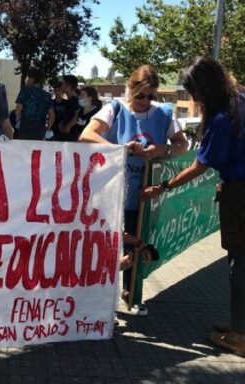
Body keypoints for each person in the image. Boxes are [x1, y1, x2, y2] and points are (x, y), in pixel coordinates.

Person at [141, 56, 245, 356]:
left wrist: (162, 187)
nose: (194, 98)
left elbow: (200, 166)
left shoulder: (224, 115)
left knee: (239, 265)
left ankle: (240, 336)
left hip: (240, 196)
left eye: (193, 91)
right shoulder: (239, 96)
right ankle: (240, 322)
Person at [79, 64, 188, 315]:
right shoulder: (114, 109)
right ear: (129, 89)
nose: (145, 101)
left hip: (145, 192)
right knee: (111, 242)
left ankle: (131, 292)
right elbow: (87, 135)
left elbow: (181, 144)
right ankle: (104, 296)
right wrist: (121, 149)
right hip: (113, 191)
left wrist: (163, 149)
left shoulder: (163, 113)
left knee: (138, 240)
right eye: (140, 95)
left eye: (151, 96)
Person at [14, 66, 54, 140]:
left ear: (32, 79)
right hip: (40, 132)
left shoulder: (25, 91)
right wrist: (47, 129)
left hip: (25, 130)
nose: (27, 80)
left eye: (28, 78)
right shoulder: (47, 95)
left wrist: (18, 119)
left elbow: (18, 110)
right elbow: (52, 115)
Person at [51, 75, 80, 142]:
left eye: (62, 84)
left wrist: (68, 126)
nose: (60, 86)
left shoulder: (74, 100)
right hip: (65, 134)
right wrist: (62, 123)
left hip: (71, 136)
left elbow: (78, 113)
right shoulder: (69, 100)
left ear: (68, 86)